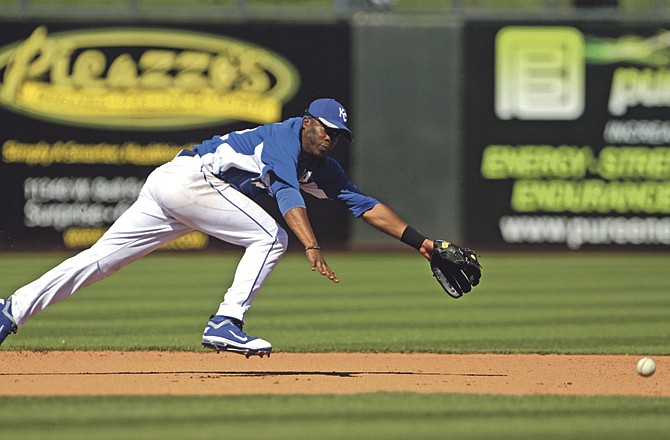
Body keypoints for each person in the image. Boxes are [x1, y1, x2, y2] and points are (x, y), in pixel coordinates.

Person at [0, 98, 437, 357]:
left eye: (338, 134)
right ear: (307, 122)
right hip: (189, 180)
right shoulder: (284, 140)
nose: (330, 138)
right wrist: (310, 245)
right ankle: (226, 321)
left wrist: (424, 244)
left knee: (101, 261)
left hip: (175, 186)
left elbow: (365, 206)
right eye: (326, 129)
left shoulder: (324, 167)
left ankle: (10, 311)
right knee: (271, 237)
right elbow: (287, 195)